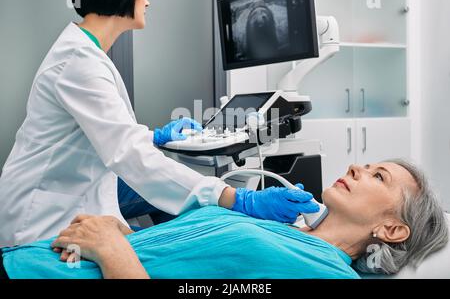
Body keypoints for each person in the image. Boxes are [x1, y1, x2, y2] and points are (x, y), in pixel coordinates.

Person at [0, 0, 319, 248]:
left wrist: (154, 136)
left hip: (70, 187)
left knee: (184, 203)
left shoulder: (84, 53)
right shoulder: (79, 64)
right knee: (193, 217)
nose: (147, 2)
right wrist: (238, 199)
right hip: (41, 214)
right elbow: (126, 152)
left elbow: (106, 133)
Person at [1, 160, 448, 279]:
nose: (357, 168)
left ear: (391, 230)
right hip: (36, 259)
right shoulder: (290, 235)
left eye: (378, 176)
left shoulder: (323, 272)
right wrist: (127, 235)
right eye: (365, 164)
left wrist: (115, 250)